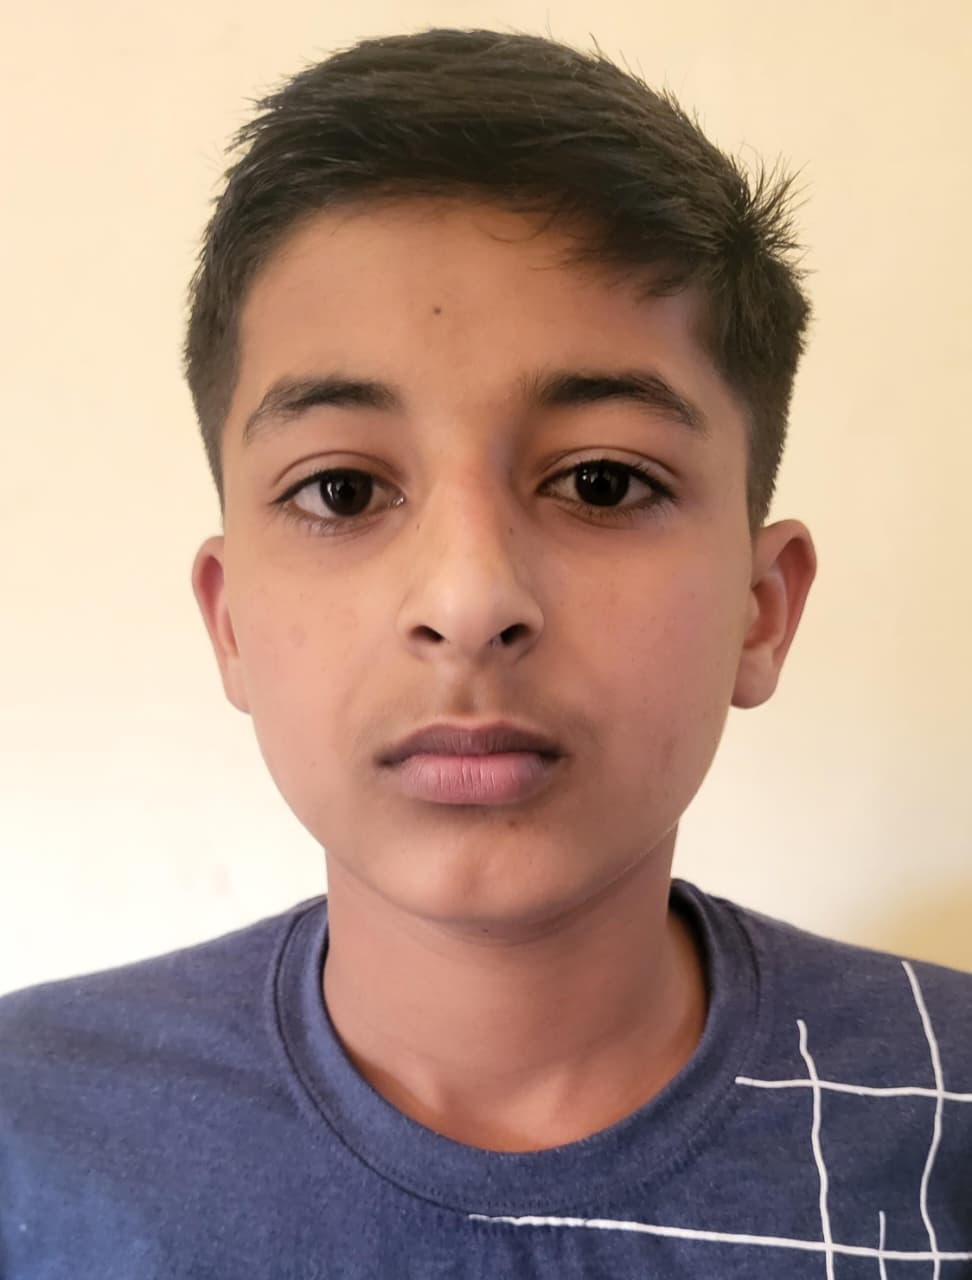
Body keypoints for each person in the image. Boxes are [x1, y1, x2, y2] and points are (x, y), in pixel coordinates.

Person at [1, 26, 969, 1278]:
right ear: (229, 619)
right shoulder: (33, 1129)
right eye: (344, 490)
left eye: (603, 480)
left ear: (760, 606)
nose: (470, 601)